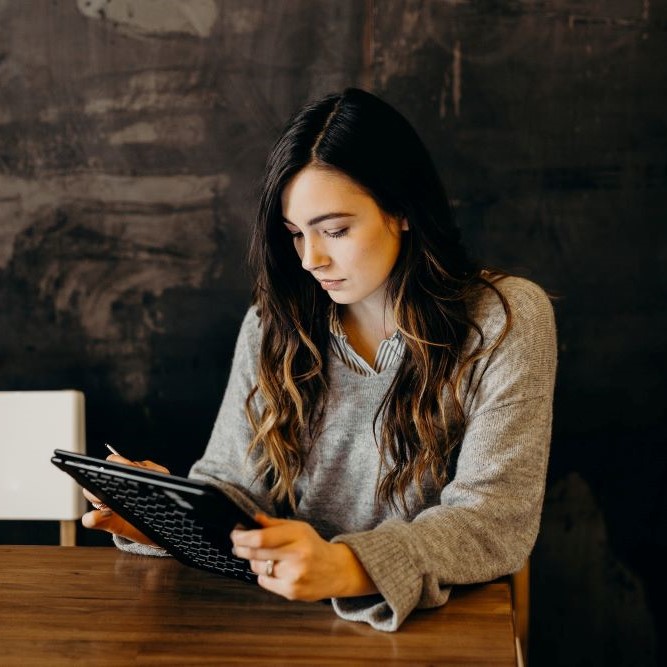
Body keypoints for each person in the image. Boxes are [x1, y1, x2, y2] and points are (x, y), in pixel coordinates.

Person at [82, 87, 557, 632]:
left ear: (402, 209)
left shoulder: (504, 319)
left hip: (441, 629)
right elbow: (237, 490)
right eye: (295, 235)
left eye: (335, 230)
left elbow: (493, 519)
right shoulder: (271, 325)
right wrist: (165, 518)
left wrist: (347, 565)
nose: (311, 259)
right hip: (287, 626)